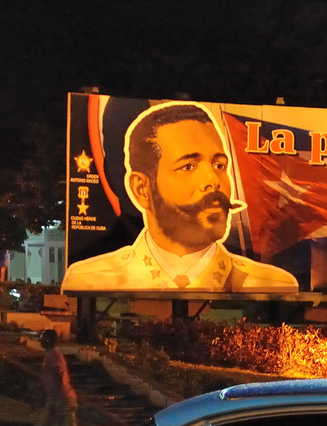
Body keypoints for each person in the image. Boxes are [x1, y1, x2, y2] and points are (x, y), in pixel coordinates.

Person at [60, 102, 299, 293]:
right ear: (142, 189)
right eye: (188, 166)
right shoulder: (91, 280)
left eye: (219, 164)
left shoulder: (271, 285)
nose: (213, 181)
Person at [29, 329, 83, 426]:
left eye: (42, 339)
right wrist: (39, 399)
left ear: (48, 340)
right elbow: (51, 381)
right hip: (67, 398)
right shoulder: (54, 353)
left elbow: (59, 377)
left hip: (59, 398)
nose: (40, 341)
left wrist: (55, 400)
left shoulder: (52, 354)